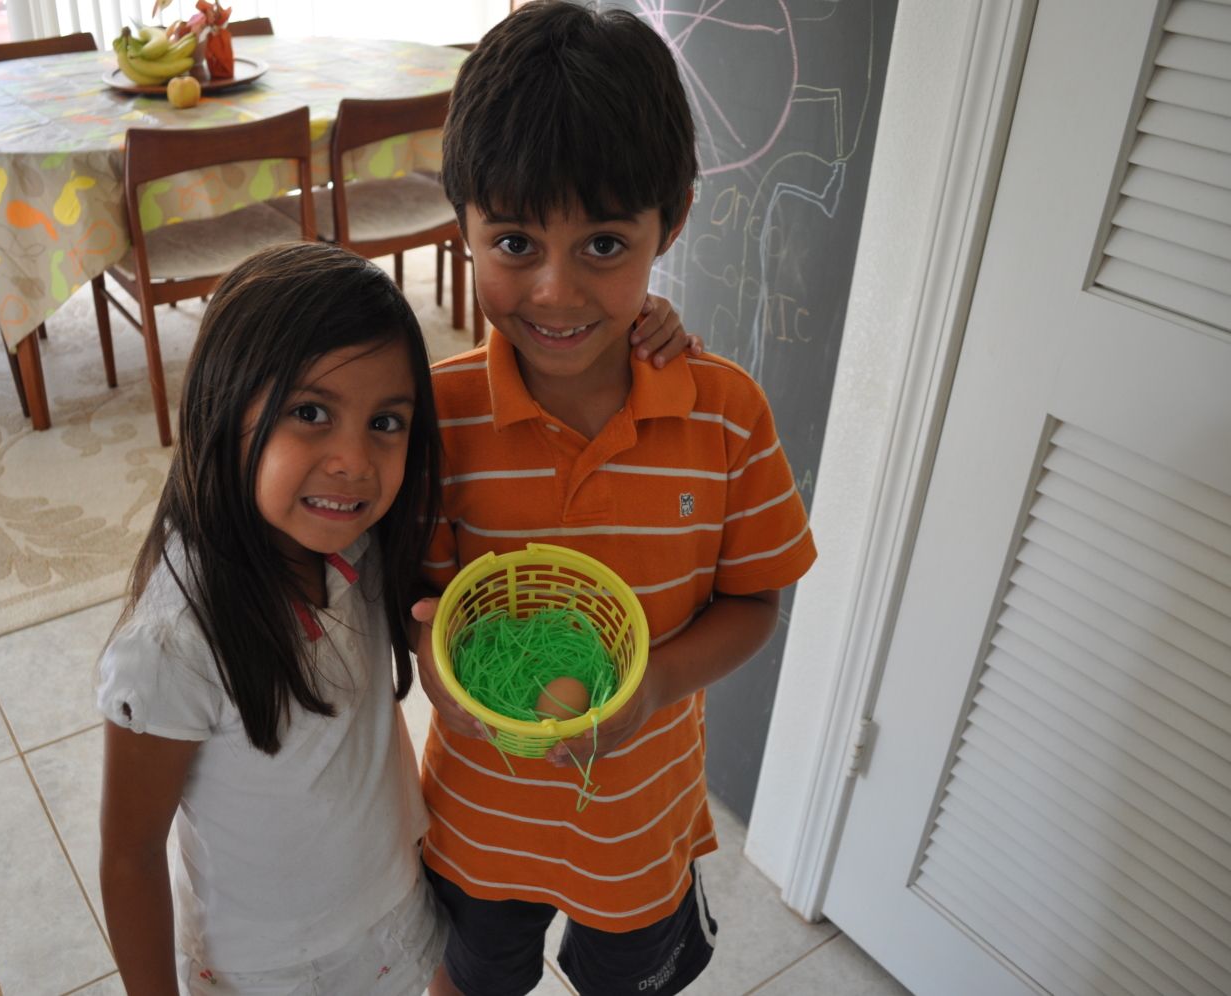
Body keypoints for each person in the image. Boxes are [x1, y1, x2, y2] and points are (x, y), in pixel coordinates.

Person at [410, 4, 819, 995]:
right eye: (514, 242)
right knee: (466, 979)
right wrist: (436, 671)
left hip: (639, 825)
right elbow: (421, 602)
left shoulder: (725, 415)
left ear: (669, 223)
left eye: (603, 245)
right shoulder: (438, 416)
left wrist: (655, 687)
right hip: (479, 819)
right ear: (461, 225)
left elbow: (756, 601)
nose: (556, 292)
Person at [96, 242, 448, 995]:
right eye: (310, 413)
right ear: (222, 409)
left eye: (386, 421)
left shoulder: (358, 543)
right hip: (269, 971)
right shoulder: (173, 644)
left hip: (389, 907)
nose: (355, 460)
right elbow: (130, 857)